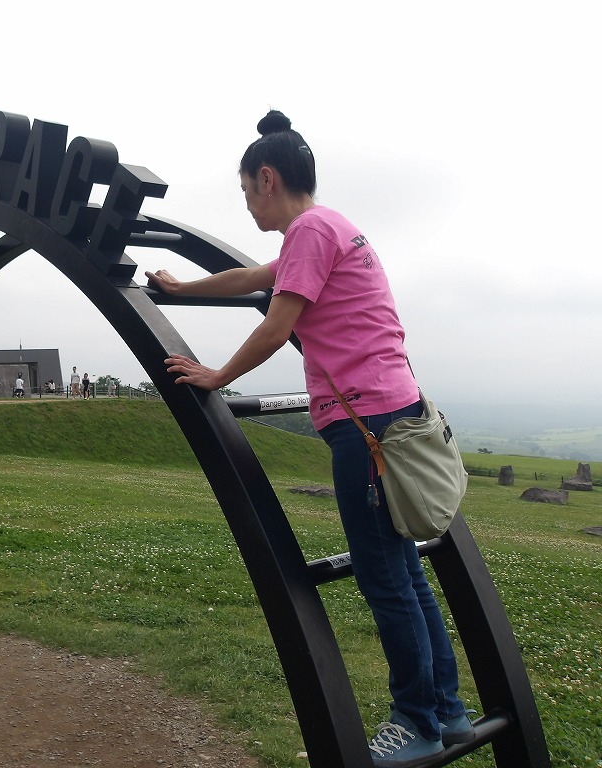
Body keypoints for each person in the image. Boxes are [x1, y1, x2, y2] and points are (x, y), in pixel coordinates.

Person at [145, 110, 474, 766]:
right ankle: (449, 712)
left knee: (385, 579)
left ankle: (416, 720)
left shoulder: (310, 232)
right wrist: (184, 287)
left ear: (268, 178)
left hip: (367, 430)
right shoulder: (329, 229)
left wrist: (216, 376)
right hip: (391, 416)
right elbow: (252, 279)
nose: (246, 203)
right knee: (405, 573)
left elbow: (276, 326)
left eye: (247, 190)